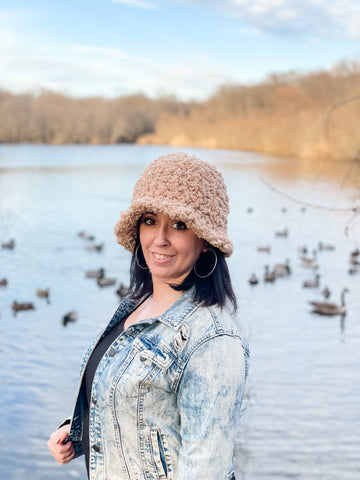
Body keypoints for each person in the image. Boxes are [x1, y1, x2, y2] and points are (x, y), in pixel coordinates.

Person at [48, 152, 249, 480]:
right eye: (150, 220)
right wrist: (77, 433)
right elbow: (144, 414)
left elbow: (205, 471)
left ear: (205, 241)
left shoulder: (212, 340)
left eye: (180, 225)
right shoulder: (136, 305)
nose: (160, 239)